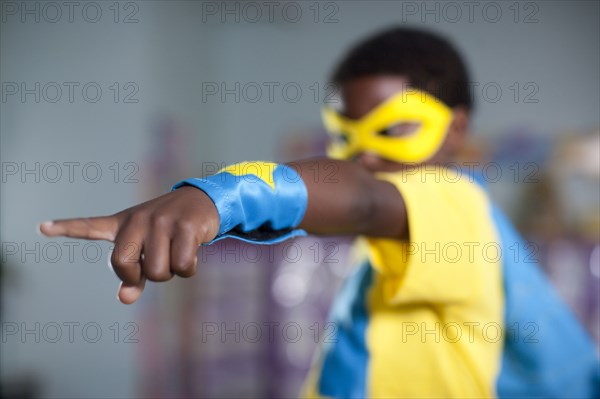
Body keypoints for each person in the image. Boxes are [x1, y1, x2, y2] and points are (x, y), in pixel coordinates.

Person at [40, 27, 599, 398]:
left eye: (394, 128)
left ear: (455, 129)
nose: (365, 155)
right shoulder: (388, 253)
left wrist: (222, 197)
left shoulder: (456, 203)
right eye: (343, 137)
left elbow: (357, 192)